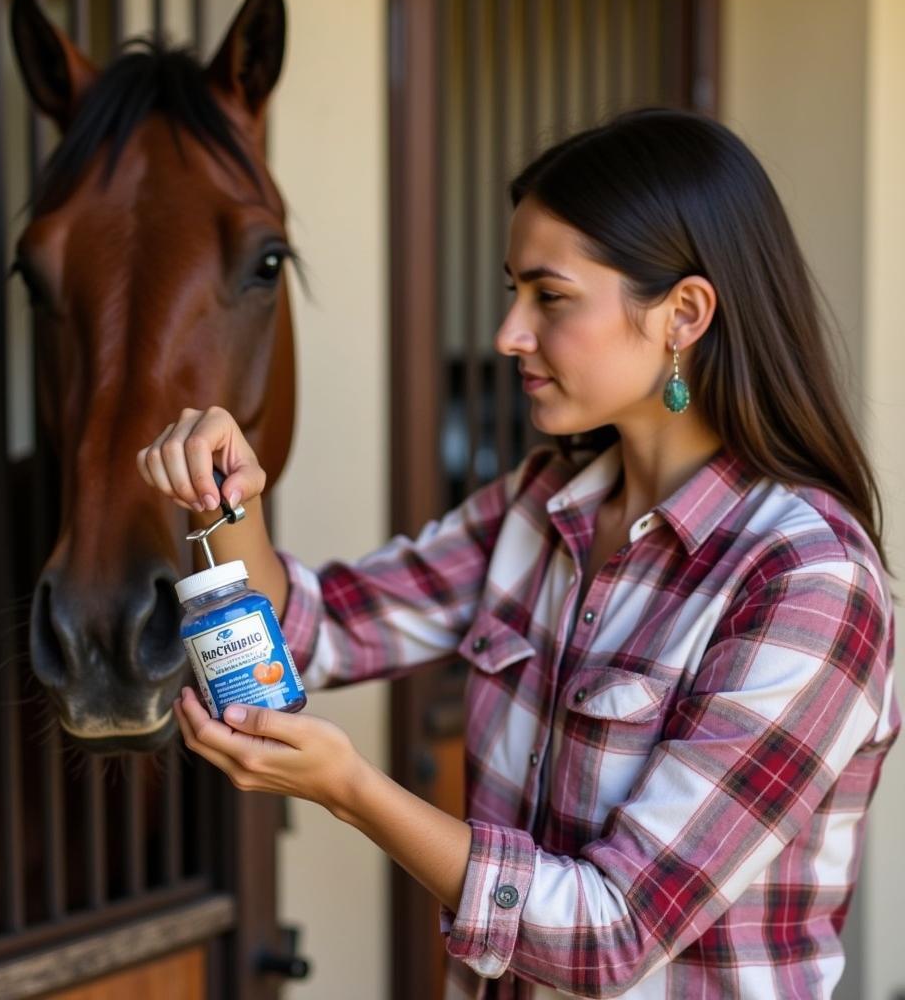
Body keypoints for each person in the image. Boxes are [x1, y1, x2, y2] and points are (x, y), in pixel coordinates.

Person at [136, 108, 900, 999]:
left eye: (550, 296)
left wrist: (351, 790)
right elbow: (313, 632)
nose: (509, 334)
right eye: (513, 291)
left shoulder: (807, 583)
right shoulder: (539, 509)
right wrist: (225, 496)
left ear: (683, 314)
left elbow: (614, 934)